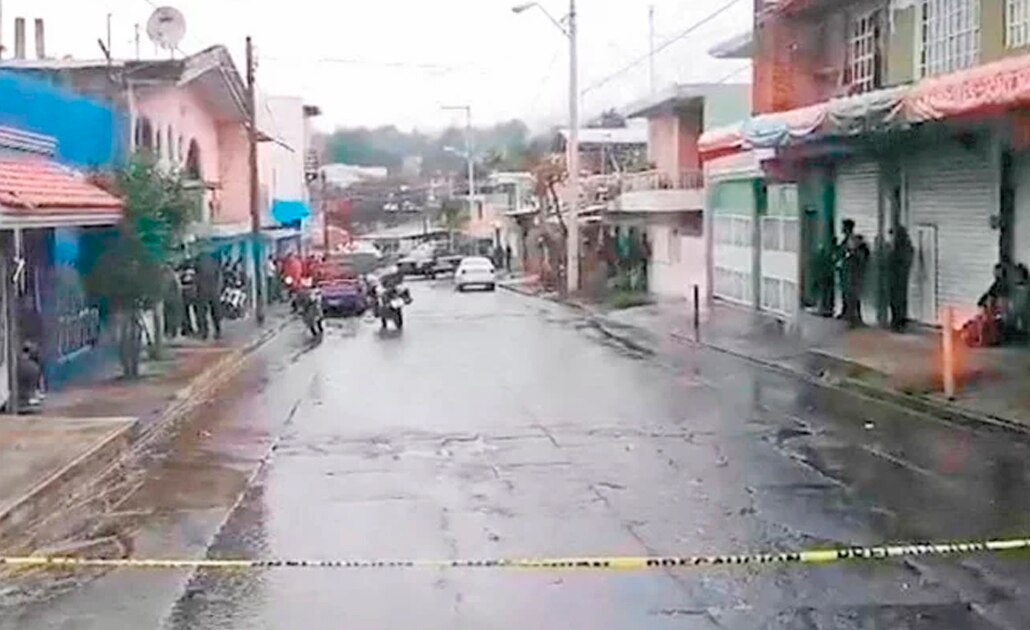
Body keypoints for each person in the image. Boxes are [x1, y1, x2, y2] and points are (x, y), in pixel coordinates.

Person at [887, 226, 914, 332]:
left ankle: (899, 322)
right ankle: (896, 321)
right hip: (896, 277)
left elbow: (903, 262)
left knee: (898, 300)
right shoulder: (898, 247)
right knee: (896, 300)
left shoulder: (903, 248)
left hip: (899, 278)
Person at [842, 231, 870, 328]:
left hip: (855, 279)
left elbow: (857, 264)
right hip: (854, 279)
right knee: (853, 299)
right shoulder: (858, 253)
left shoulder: (859, 253)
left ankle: (854, 318)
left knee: (853, 298)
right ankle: (854, 318)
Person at [195, 252, 223, 340]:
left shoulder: (198, 261)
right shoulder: (214, 262)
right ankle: (217, 331)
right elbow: (219, 276)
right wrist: (218, 289)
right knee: (214, 312)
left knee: (202, 312)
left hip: (203, 290)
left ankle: (205, 332)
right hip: (212, 290)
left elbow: (196, 277)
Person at [836, 219, 856, 319]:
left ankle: (849, 313)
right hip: (845, 269)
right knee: (845, 291)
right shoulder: (847, 239)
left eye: (844, 227)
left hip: (849, 271)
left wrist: (843, 259)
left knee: (848, 292)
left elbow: (850, 254)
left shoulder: (851, 240)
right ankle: (846, 311)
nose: (842, 229)